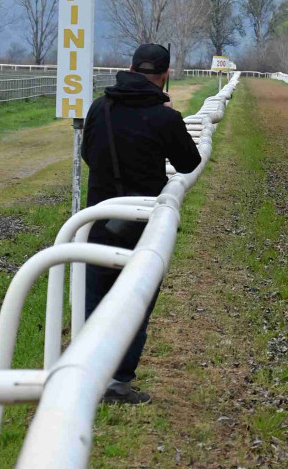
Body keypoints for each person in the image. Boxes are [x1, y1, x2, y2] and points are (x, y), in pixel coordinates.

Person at [80, 42, 202, 405]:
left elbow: (88, 154)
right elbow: (188, 164)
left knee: (97, 299)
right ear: (164, 77)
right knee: (136, 300)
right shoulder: (164, 117)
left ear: (130, 68)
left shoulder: (100, 107)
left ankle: (87, 375)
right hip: (144, 224)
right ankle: (119, 381)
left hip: (98, 219)